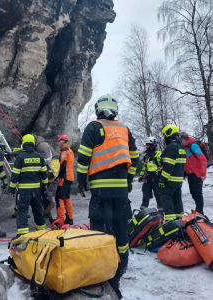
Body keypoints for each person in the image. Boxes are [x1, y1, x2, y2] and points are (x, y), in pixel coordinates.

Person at [77, 94, 139, 297]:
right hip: (121, 194)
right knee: (122, 234)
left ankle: (103, 276)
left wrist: (81, 180)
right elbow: (135, 160)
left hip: (101, 194)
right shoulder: (124, 129)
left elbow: (84, 156)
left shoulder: (93, 127)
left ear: (97, 110)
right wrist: (128, 181)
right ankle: (118, 275)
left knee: (101, 234)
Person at [10, 134, 47, 239]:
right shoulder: (40, 157)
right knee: (38, 210)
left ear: (23, 144)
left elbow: (15, 176)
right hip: (36, 190)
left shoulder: (20, 158)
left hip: (24, 191)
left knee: (22, 210)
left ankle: (23, 233)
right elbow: (44, 175)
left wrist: (12, 189)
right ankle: (42, 232)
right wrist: (44, 186)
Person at [159, 125, 186, 222]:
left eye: (165, 135)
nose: (164, 138)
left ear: (169, 134)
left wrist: (162, 180)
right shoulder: (180, 147)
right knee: (177, 202)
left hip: (169, 182)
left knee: (167, 203)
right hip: (177, 182)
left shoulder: (171, 147)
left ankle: (171, 226)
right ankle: (180, 223)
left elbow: (169, 166)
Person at [179, 132, 207, 215]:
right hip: (190, 174)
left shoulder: (193, 146)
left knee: (197, 193)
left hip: (197, 173)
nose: (180, 141)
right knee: (192, 192)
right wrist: (184, 173)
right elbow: (185, 162)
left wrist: (203, 174)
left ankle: (200, 212)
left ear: (185, 139)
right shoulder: (184, 147)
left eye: (181, 139)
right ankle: (198, 210)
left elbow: (203, 159)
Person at [139, 137, 163, 212]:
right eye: (146, 145)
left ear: (153, 145)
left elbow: (163, 166)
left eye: (148, 145)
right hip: (147, 178)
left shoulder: (158, 154)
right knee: (146, 194)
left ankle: (161, 212)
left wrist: (158, 174)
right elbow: (144, 166)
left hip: (156, 178)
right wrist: (142, 175)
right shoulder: (146, 155)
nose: (147, 146)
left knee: (158, 195)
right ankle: (143, 211)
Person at [56, 134, 74, 225]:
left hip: (64, 177)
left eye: (59, 141)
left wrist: (56, 175)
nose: (58, 143)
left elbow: (62, 165)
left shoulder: (63, 151)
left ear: (63, 141)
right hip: (70, 177)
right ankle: (70, 218)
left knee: (59, 198)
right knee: (67, 197)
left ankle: (60, 219)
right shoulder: (70, 151)